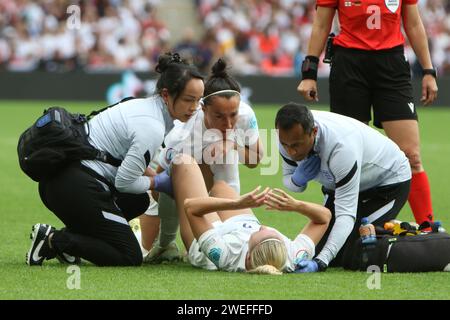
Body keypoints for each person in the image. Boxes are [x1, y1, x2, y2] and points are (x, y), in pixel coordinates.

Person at [26, 53, 205, 266]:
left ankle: (71, 244)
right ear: (166, 95)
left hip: (65, 182)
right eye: (188, 100)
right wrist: (160, 183)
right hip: (73, 187)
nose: (194, 108)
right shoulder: (152, 126)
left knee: (138, 201)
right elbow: (124, 182)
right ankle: (54, 240)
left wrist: (155, 178)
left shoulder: (145, 107)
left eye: (198, 100)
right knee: (130, 256)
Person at [297, 1, 438, 226]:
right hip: (349, 66)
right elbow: (321, 24)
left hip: (392, 65)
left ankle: (428, 228)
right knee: (350, 157)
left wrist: (429, 70)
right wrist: (309, 72)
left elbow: (412, 23)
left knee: (411, 156)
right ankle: (347, 227)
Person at [138, 58, 263, 261]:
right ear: (203, 108)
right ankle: (165, 244)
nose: (229, 124)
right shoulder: (182, 136)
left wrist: (234, 146)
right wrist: (183, 203)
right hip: (183, 186)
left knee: (233, 226)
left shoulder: (246, 115)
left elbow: (255, 159)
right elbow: (157, 190)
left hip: (224, 182)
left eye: (233, 114)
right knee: (161, 242)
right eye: (219, 116)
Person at [275, 103, 411, 271]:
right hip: (340, 185)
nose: (291, 152)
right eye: (285, 145)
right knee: (316, 249)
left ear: (314, 132)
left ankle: (408, 231)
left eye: (296, 145)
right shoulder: (285, 137)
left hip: (387, 183)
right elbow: (291, 182)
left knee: (355, 254)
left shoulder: (341, 147)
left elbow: (345, 215)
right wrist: (297, 180)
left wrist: (321, 263)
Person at [171, 154, 331, 274]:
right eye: (271, 232)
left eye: (259, 232)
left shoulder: (225, 256)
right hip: (240, 226)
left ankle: (168, 191)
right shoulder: (291, 255)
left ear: (247, 257)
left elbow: (191, 208)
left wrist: (236, 204)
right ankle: (186, 186)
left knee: (184, 162)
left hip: (213, 237)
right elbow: (324, 218)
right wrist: (296, 205)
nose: (262, 227)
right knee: (220, 186)